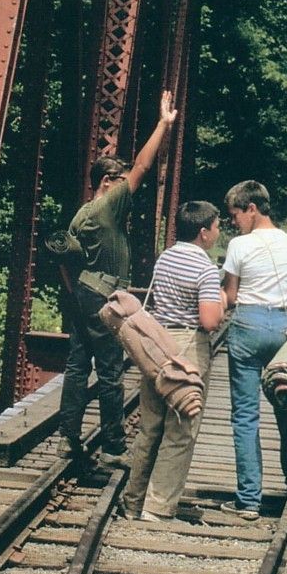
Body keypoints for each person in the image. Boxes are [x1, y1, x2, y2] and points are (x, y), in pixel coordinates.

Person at [57, 91, 177, 468]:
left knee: (78, 366)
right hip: (105, 296)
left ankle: (68, 436)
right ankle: (112, 447)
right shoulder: (107, 205)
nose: (129, 187)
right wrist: (163, 124)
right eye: (121, 181)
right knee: (110, 371)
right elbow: (142, 167)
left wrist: (79, 294)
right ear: (109, 182)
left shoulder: (81, 214)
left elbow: (64, 262)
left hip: (83, 294)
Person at [123, 201, 226, 520]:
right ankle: (158, 507)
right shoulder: (206, 269)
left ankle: (133, 500)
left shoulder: (165, 258)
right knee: (181, 429)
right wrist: (221, 301)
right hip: (186, 347)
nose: (219, 231)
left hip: (156, 345)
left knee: (150, 426)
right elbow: (209, 321)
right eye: (216, 226)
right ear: (203, 232)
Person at [220, 180, 287, 521]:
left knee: (245, 415)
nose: (233, 222)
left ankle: (249, 500)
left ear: (252, 208)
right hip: (284, 327)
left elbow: (230, 296)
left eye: (236, 214)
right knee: (286, 403)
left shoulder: (239, 246)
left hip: (248, 326)